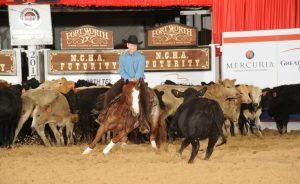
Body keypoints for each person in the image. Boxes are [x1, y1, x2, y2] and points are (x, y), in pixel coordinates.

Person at [96, 35, 150, 133]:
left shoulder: (141, 57)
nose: (133, 47)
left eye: (135, 45)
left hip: (138, 81)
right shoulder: (123, 56)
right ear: (128, 45)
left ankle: (143, 122)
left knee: (144, 98)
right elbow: (122, 70)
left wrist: (135, 79)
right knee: (109, 94)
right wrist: (128, 79)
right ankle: (103, 115)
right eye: (131, 45)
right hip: (124, 80)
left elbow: (139, 70)